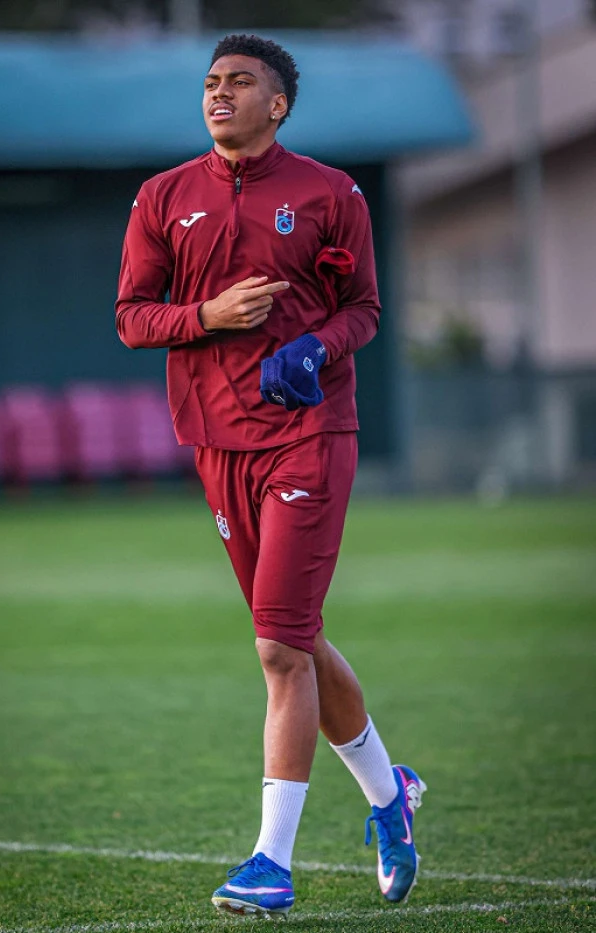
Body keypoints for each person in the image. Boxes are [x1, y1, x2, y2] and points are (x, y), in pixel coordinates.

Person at [115, 33, 426, 918]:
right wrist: (207, 315)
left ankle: (270, 862)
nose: (218, 94)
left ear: (278, 104)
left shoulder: (332, 193)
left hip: (310, 435)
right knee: (294, 635)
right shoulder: (162, 197)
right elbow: (132, 317)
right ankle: (390, 795)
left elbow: (364, 308)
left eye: (240, 82)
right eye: (211, 82)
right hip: (217, 442)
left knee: (278, 647)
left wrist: (315, 348)